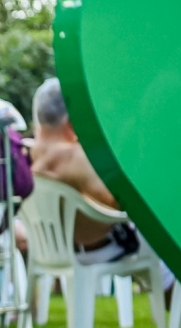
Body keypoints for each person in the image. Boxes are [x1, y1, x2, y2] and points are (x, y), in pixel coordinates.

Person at [28, 77, 148, 264]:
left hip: (52, 251)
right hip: (98, 250)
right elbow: (115, 202)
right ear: (70, 120)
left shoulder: (29, 154)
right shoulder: (75, 157)